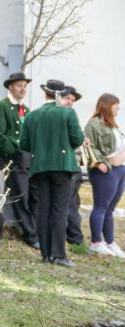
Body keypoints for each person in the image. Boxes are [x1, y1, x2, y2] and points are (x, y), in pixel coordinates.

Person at [20, 80, 84, 267]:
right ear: (58, 94)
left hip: (39, 167)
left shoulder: (32, 115)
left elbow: (23, 144)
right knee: (59, 211)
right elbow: (77, 138)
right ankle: (58, 255)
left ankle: (46, 253)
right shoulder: (67, 112)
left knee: (43, 209)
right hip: (63, 167)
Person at [0, 72, 39, 249]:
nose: (23, 89)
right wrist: (17, 152)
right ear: (10, 87)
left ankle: (34, 230)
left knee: (33, 196)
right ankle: (30, 235)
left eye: (25, 86)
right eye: (19, 85)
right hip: (12, 160)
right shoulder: (0, 107)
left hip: (28, 160)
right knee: (21, 197)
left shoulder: (26, 110)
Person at [84, 93, 125, 257]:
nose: (119, 107)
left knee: (110, 209)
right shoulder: (93, 124)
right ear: (108, 105)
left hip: (120, 170)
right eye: (116, 104)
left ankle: (109, 242)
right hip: (106, 171)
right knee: (101, 207)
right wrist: (102, 164)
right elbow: (88, 147)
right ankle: (96, 242)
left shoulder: (113, 125)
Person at [61, 86, 85, 249]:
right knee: (65, 205)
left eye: (72, 100)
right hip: (63, 167)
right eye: (68, 98)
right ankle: (72, 238)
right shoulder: (57, 116)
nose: (70, 102)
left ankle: (75, 238)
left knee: (74, 204)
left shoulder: (71, 115)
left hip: (74, 166)